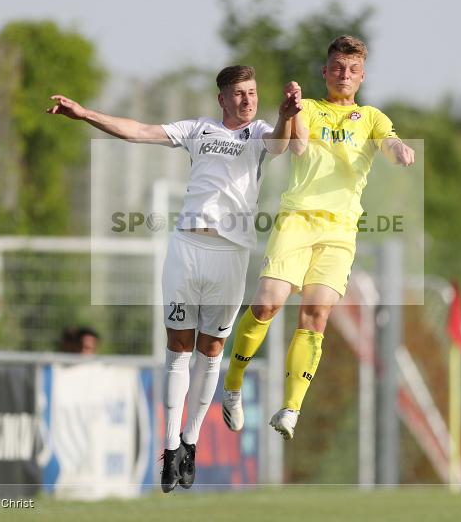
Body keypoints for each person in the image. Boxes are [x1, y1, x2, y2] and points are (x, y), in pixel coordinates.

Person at [46, 66, 301, 492]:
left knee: (212, 348)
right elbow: (138, 131)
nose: (247, 100)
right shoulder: (199, 129)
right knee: (178, 346)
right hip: (187, 248)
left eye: (252, 93)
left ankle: (191, 442)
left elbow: (279, 142)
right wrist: (86, 113)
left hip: (231, 255)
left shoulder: (258, 132)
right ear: (222, 99)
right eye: (239, 94)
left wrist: (287, 113)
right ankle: (169, 448)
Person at [221, 36, 415, 440]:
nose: (344, 75)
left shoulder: (373, 118)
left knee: (316, 315)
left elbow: (391, 143)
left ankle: (290, 408)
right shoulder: (307, 107)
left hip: (340, 232)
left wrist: (400, 150)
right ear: (325, 72)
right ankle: (233, 384)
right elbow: (297, 146)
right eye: (338, 68)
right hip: (297, 219)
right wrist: (289, 111)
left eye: (353, 70)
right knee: (266, 303)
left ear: (362, 76)